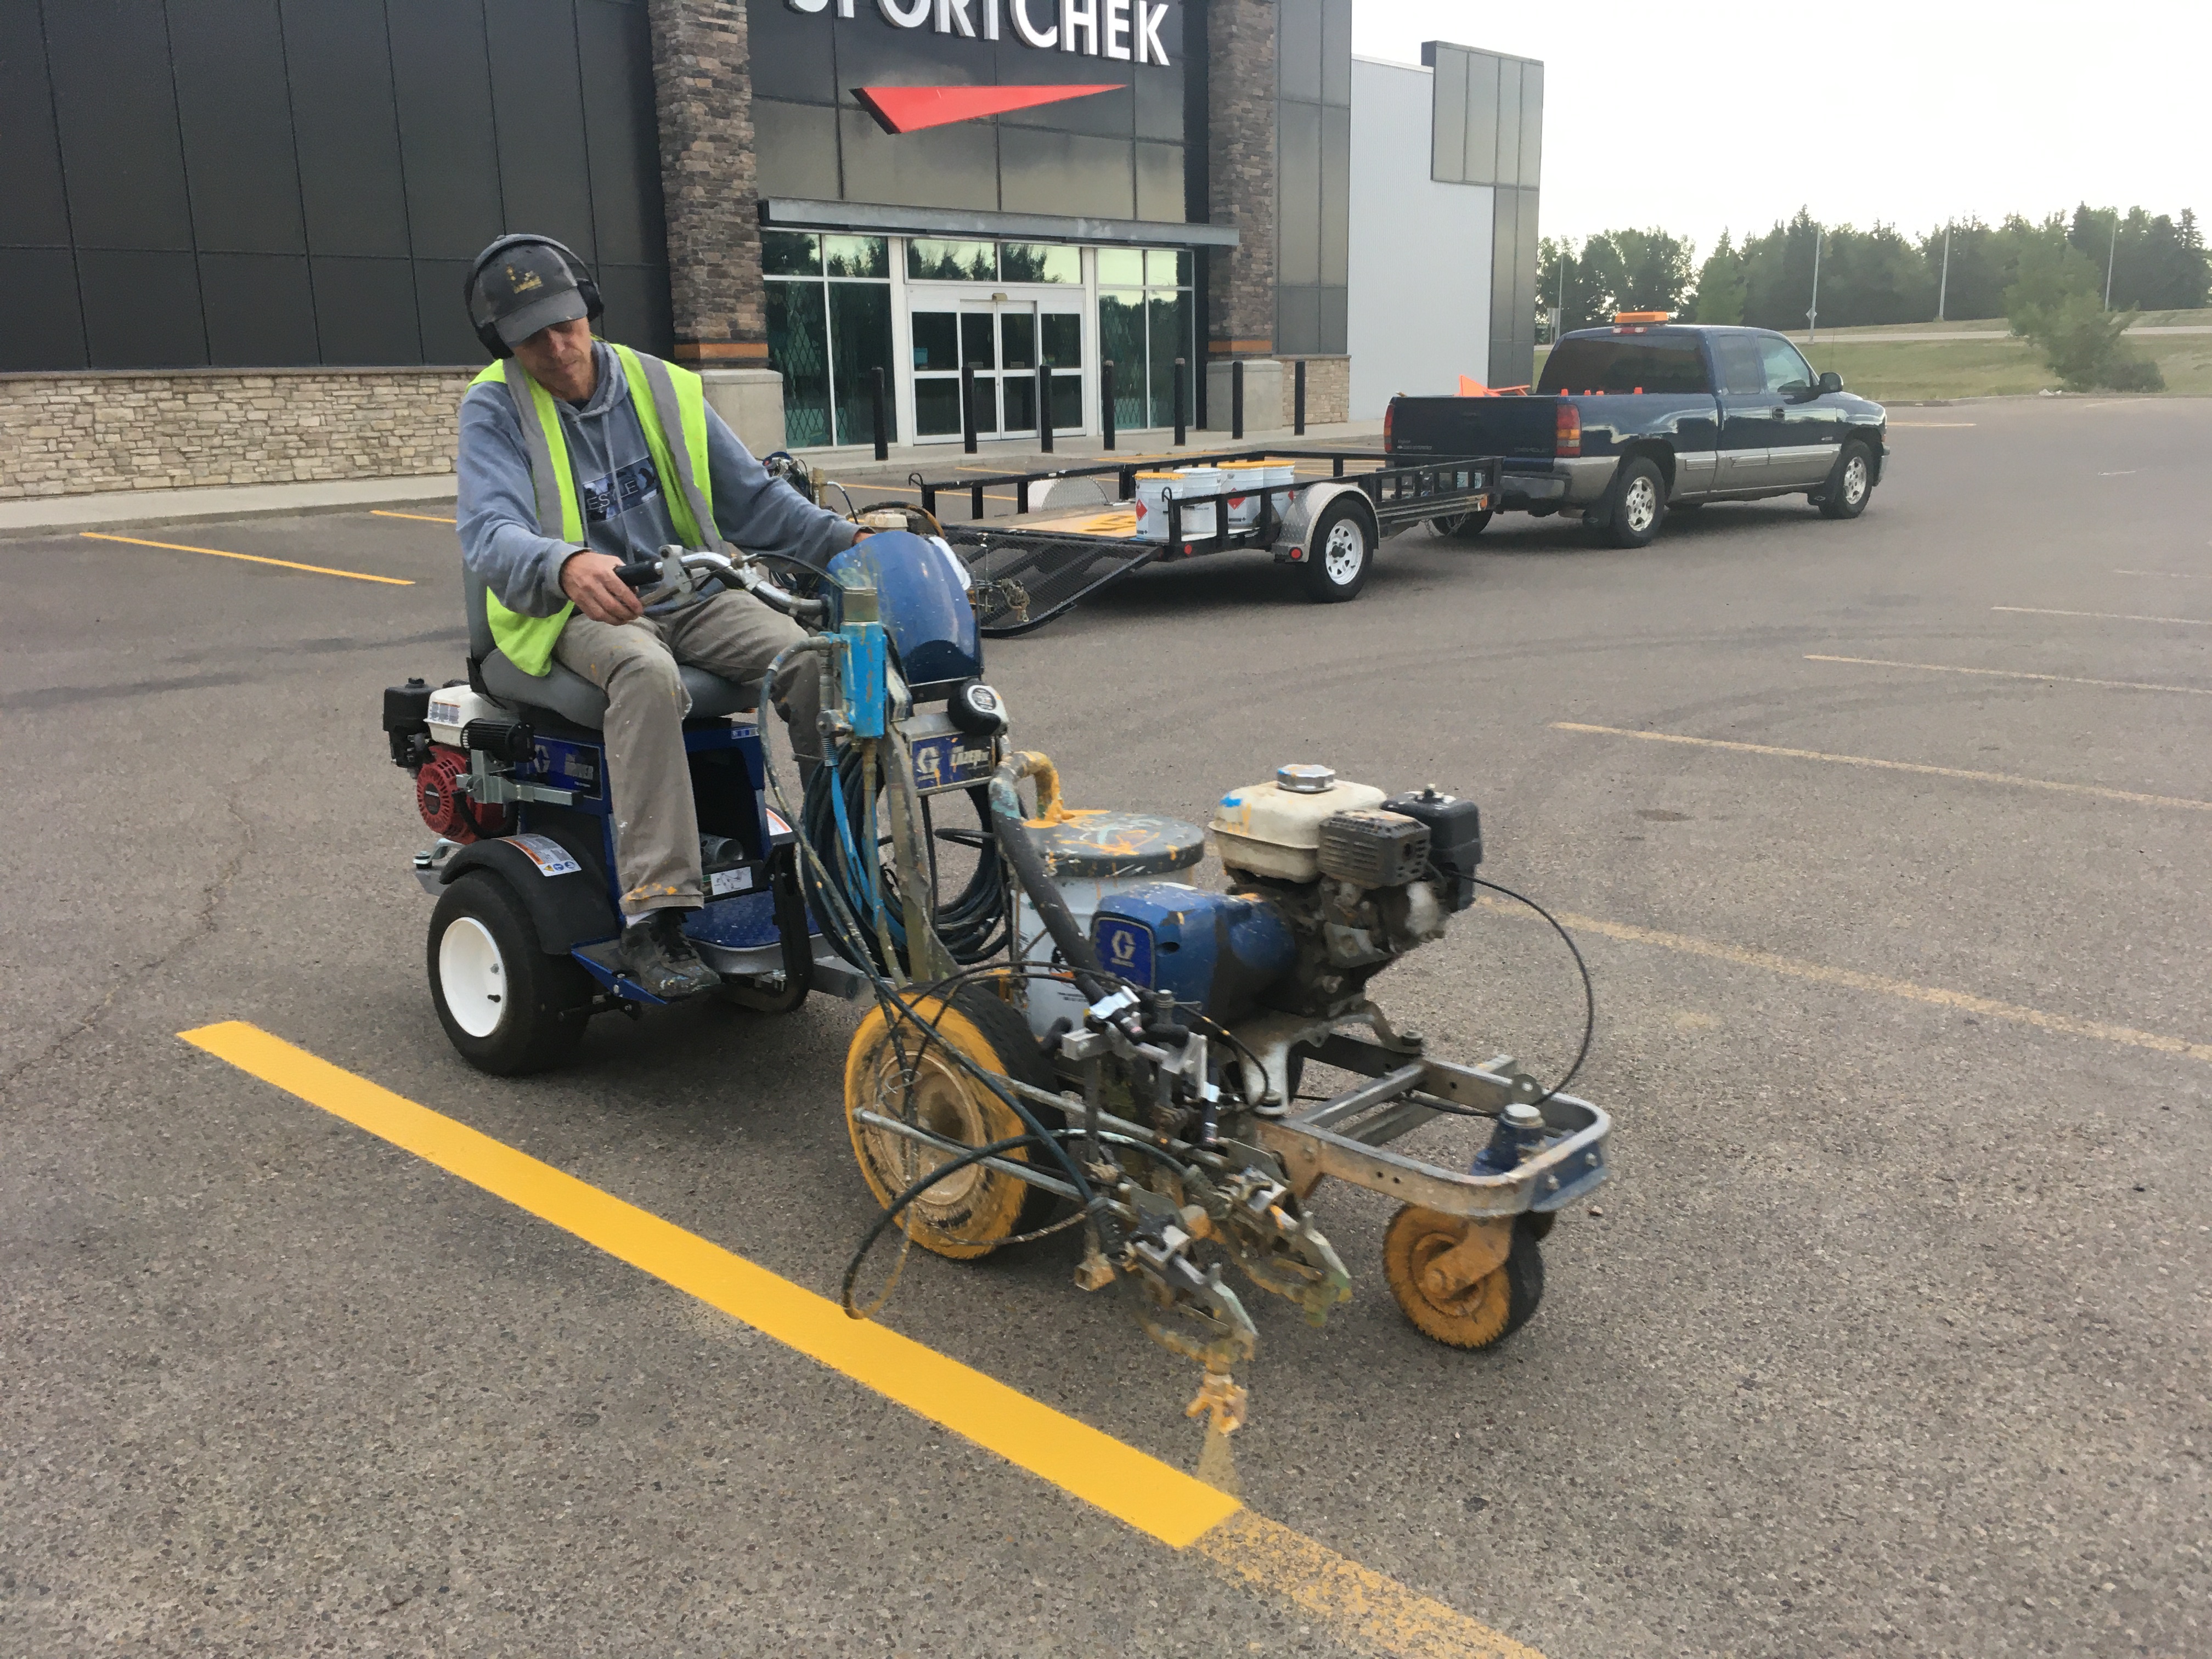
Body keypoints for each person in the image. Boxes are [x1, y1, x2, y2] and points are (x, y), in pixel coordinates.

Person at [455, 234, 860, 1000]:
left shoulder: (663, 386)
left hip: (690, 591)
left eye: (566, 324)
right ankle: (657, 915)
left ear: (590, 310)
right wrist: (566, 564)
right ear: (503, 342)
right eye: (532, 337)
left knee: (817, 661)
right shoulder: (494, 407)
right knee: (646, 673)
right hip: (568, 610)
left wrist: (856, 546)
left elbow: (758, 503)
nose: (557, 346)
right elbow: (488, 535)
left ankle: (841, 868)